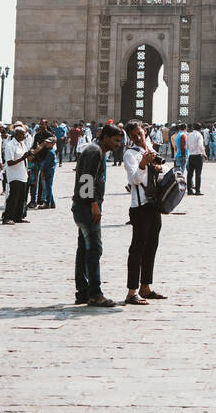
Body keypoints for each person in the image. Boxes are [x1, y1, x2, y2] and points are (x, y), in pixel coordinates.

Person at [71, 122, 124, 306]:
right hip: (87, 208)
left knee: (84, 250)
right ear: (105, 138)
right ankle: (94, 293)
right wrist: (93, 203)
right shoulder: (95, 151)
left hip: (81, 206)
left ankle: (83, 292)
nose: (118, 144)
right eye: (116, 140)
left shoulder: (94, 149)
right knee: (94, 249)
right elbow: (87, 178)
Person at [123, 120, 166, 305]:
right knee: (137, 249)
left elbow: (164, 172)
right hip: (140, 207)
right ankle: (131, 292)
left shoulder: (150, 149)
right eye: (133, 136)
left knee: (151, 248)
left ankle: (145, 287)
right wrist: (143, 164)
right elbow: (133, 179)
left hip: (154, 205)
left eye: (140, 134)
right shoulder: (129, 154)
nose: (138, 138)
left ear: (145, 132)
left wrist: (158, 167)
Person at [2, 122, 31, 223]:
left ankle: (18, 217)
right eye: (22, 134)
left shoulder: (23, 144)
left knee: (21, 198)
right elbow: (9, 162)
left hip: (23, 174)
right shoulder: (10, 145)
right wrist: (22, 158)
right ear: (16, 134)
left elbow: (27, 158)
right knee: (13, 197)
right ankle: (7, 217)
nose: (24, 136)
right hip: (14, 175)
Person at [185, 122, 206, 195]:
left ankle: (189, 190)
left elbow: (187, 146)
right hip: (198, 156)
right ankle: (197, 190)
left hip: (191, 156)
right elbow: (200, 145)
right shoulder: (199, 135)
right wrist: (204, 154)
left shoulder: (189, 135)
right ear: (200, 129)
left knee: (190, 174)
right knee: (198, 174)